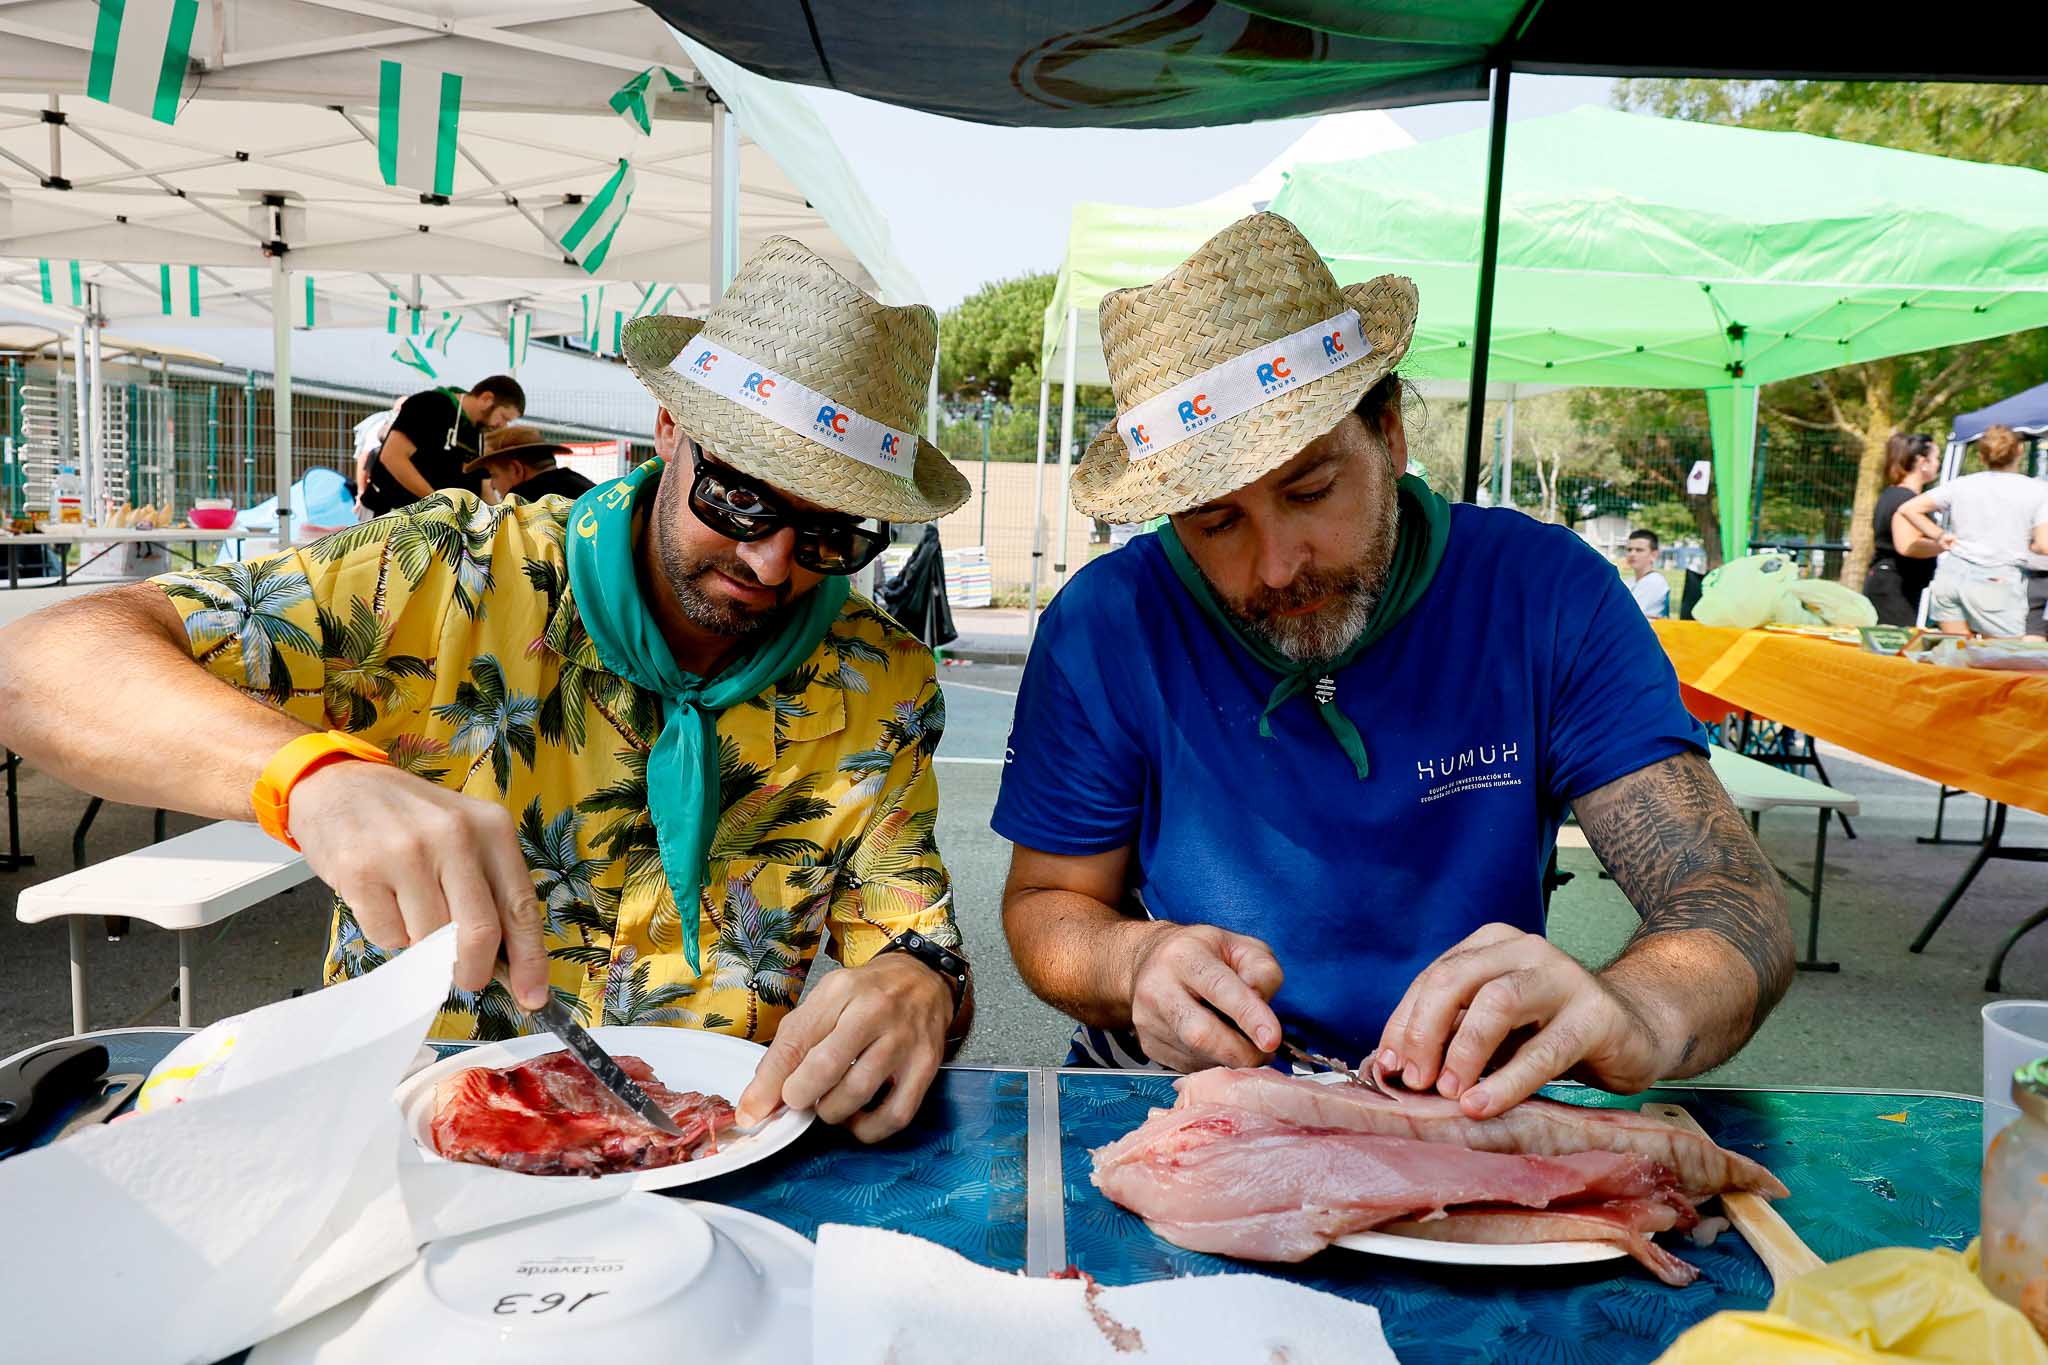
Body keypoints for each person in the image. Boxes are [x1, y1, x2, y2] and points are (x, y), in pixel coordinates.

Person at [0, 237, 976, 1143]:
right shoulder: (445, 574)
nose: (770, 563)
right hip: (408, 1130)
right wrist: (310, 775)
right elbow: (38, 666)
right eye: (741, 497)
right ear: (670, 427)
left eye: (831, 535)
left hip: (713, 1146)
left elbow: (906, 931)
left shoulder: (876, 675)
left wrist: (918, 981)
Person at [994, 213, 1793, 1118]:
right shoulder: (1107, 623)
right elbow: (1048, 901)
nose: (1277, 565)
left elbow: (1729, 899)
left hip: (1462, 1104)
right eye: (1215, 521)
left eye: (1310, 490)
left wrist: (1631, 1010)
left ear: (1389, 433)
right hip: (1177, 1096)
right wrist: (1133, 961)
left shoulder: (1544, 593)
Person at [1896, 424, 2048, 639]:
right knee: (2007, 658)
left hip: (1950, 576)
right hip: (1996, 579)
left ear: (1982, 455)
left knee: (1957, 654)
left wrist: (1939, 535)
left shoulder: (1961, 485)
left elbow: (1908, 509)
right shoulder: (2038, 490)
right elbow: (2044, 545)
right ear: (2020, 451)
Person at [358, 375, 527, 517]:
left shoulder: (477, 432)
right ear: (486, 399)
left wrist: (498, 519)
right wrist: (438, 501)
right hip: (388, 513)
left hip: (431, 522)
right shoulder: (431, 405)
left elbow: (484, 487)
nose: (502, 425)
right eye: (503, 417)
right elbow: (392, 457)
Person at [1867, 431, 1943, 627]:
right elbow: (1908, 545)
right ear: (1921, 461)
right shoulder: (1905, 500)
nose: (1938, 464)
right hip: (1893, 588)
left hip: (1897, 585)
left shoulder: (1894, 495)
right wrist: (1947, 544)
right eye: (1936, 458)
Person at [466, 426, 597, 503]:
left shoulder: (520, 503)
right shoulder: (590, 490)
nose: (492, 485)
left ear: (516, 469)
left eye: (494, 475)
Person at [1623, 529, 1670, 619]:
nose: (1632, 554)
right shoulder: (1628, 582)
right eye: (1629, 549)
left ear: (1654, 555)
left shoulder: (1655, 581)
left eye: (1639, 550)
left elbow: (1629, 614)